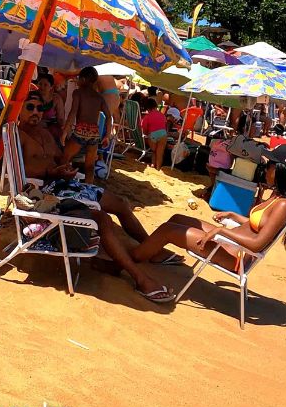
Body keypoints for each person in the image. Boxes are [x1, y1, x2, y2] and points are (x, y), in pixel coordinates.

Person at [16, 92, 175, 301]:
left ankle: (149, 248)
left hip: (65, 183)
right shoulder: (18, 135)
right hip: (49, 191)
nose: (36, 112)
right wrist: (51, 172)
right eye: (30, 107)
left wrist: (66, 164)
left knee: (120, 204)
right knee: (102, 219)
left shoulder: (45, 133)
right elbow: (20, 170)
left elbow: (59, 158)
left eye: (39, 108)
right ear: (19, 109)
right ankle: (139, 278)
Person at [133, 145, 286, 272]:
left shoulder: (284, 205)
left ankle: (130, 261)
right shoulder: (276, 196)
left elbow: (257, 244)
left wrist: (221, 232)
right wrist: (234, 216)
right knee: (177, 219)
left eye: (270, 164)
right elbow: (259, 225)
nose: (265, 169)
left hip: (235, 255)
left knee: (168, 230)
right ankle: (154, 252)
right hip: (230, 243)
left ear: (281, 169)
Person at [60, 67, 110, 183]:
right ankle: (89, 187)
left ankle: (62, 182)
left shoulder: (78, 93)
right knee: (90, 165)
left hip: (81, 129)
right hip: (94, 132)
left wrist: (65, 132)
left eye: (78, 78)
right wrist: (107, 135)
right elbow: (108, 116)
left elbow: (73, 113)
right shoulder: (99, 97)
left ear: (82, 79)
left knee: (65, 158)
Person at [35, 72, 64, 141]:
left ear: (51, 87)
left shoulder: (56, 99)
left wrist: (64, 132)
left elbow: (61, 119)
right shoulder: (33, 96)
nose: (42, 87)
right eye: (40, 84)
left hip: (52, 130)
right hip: (36, 127)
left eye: (45, 85)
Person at [141, 97, 168, 170]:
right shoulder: (162, 115)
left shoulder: (147, 117)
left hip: (152, 134)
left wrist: (146, 134)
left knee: (154, 151)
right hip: (163, 133)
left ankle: (153, 165)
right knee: (160, 153)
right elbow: (165, 125)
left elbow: (144, 129)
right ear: (156, 106)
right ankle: (158, 168)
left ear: (147, 108)